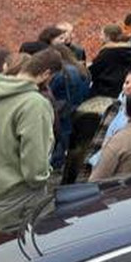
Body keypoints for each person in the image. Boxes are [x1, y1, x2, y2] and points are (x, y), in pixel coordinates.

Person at [0, 49, 63, 222]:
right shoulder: (34, 103)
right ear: (46, 74)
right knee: (11, 245)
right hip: (15, 193)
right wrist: (40, 179)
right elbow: (35, 160)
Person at [48, 43, 92, 171]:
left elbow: (52, 91)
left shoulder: (62, 73)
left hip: (64, 109)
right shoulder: (82, 69)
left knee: (61, 138)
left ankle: (57, 164)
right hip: (79, 107)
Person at [89, 25, 131, 99]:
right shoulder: (129, 50)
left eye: (102, 35)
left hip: (105, 90)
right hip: (122, 88)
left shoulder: (107, 52)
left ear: (107, 37)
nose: (100, 38)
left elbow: (94, 70)